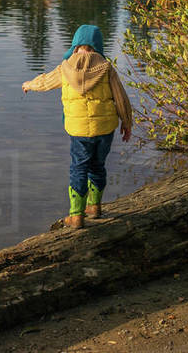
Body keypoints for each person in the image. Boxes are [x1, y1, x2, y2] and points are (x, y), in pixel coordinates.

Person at [22, 24, 133, 230]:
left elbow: (45, 82)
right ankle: (95, 207)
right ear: (98, 46)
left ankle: (76, 216)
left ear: (75, 46)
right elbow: (121, 98)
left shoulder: (66, 67)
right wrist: (127, 123)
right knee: (98, 166)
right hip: (105, 128)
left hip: (79, 130)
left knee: (79, 167)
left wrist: (29, 84)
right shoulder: (106, 67)